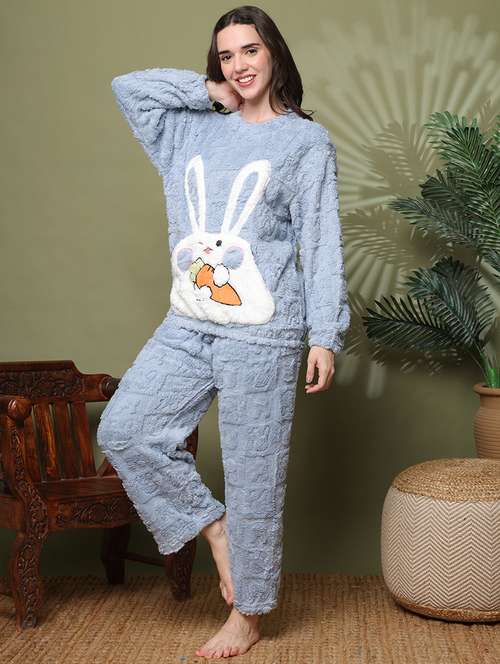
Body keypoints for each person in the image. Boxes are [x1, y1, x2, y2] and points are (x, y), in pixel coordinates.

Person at [96, 4, 350, 659]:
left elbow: (320, 242)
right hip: (189, 322)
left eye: (250, 50)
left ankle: (248, 616)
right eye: (227, 55)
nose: (239, 65)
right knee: (126, 429)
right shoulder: (187, 130)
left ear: (275, 54)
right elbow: (129, 87)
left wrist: (325, 334)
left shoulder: (304, 143)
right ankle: (213, 528)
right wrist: (208, 91)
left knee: (254, 475)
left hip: (264, 333)